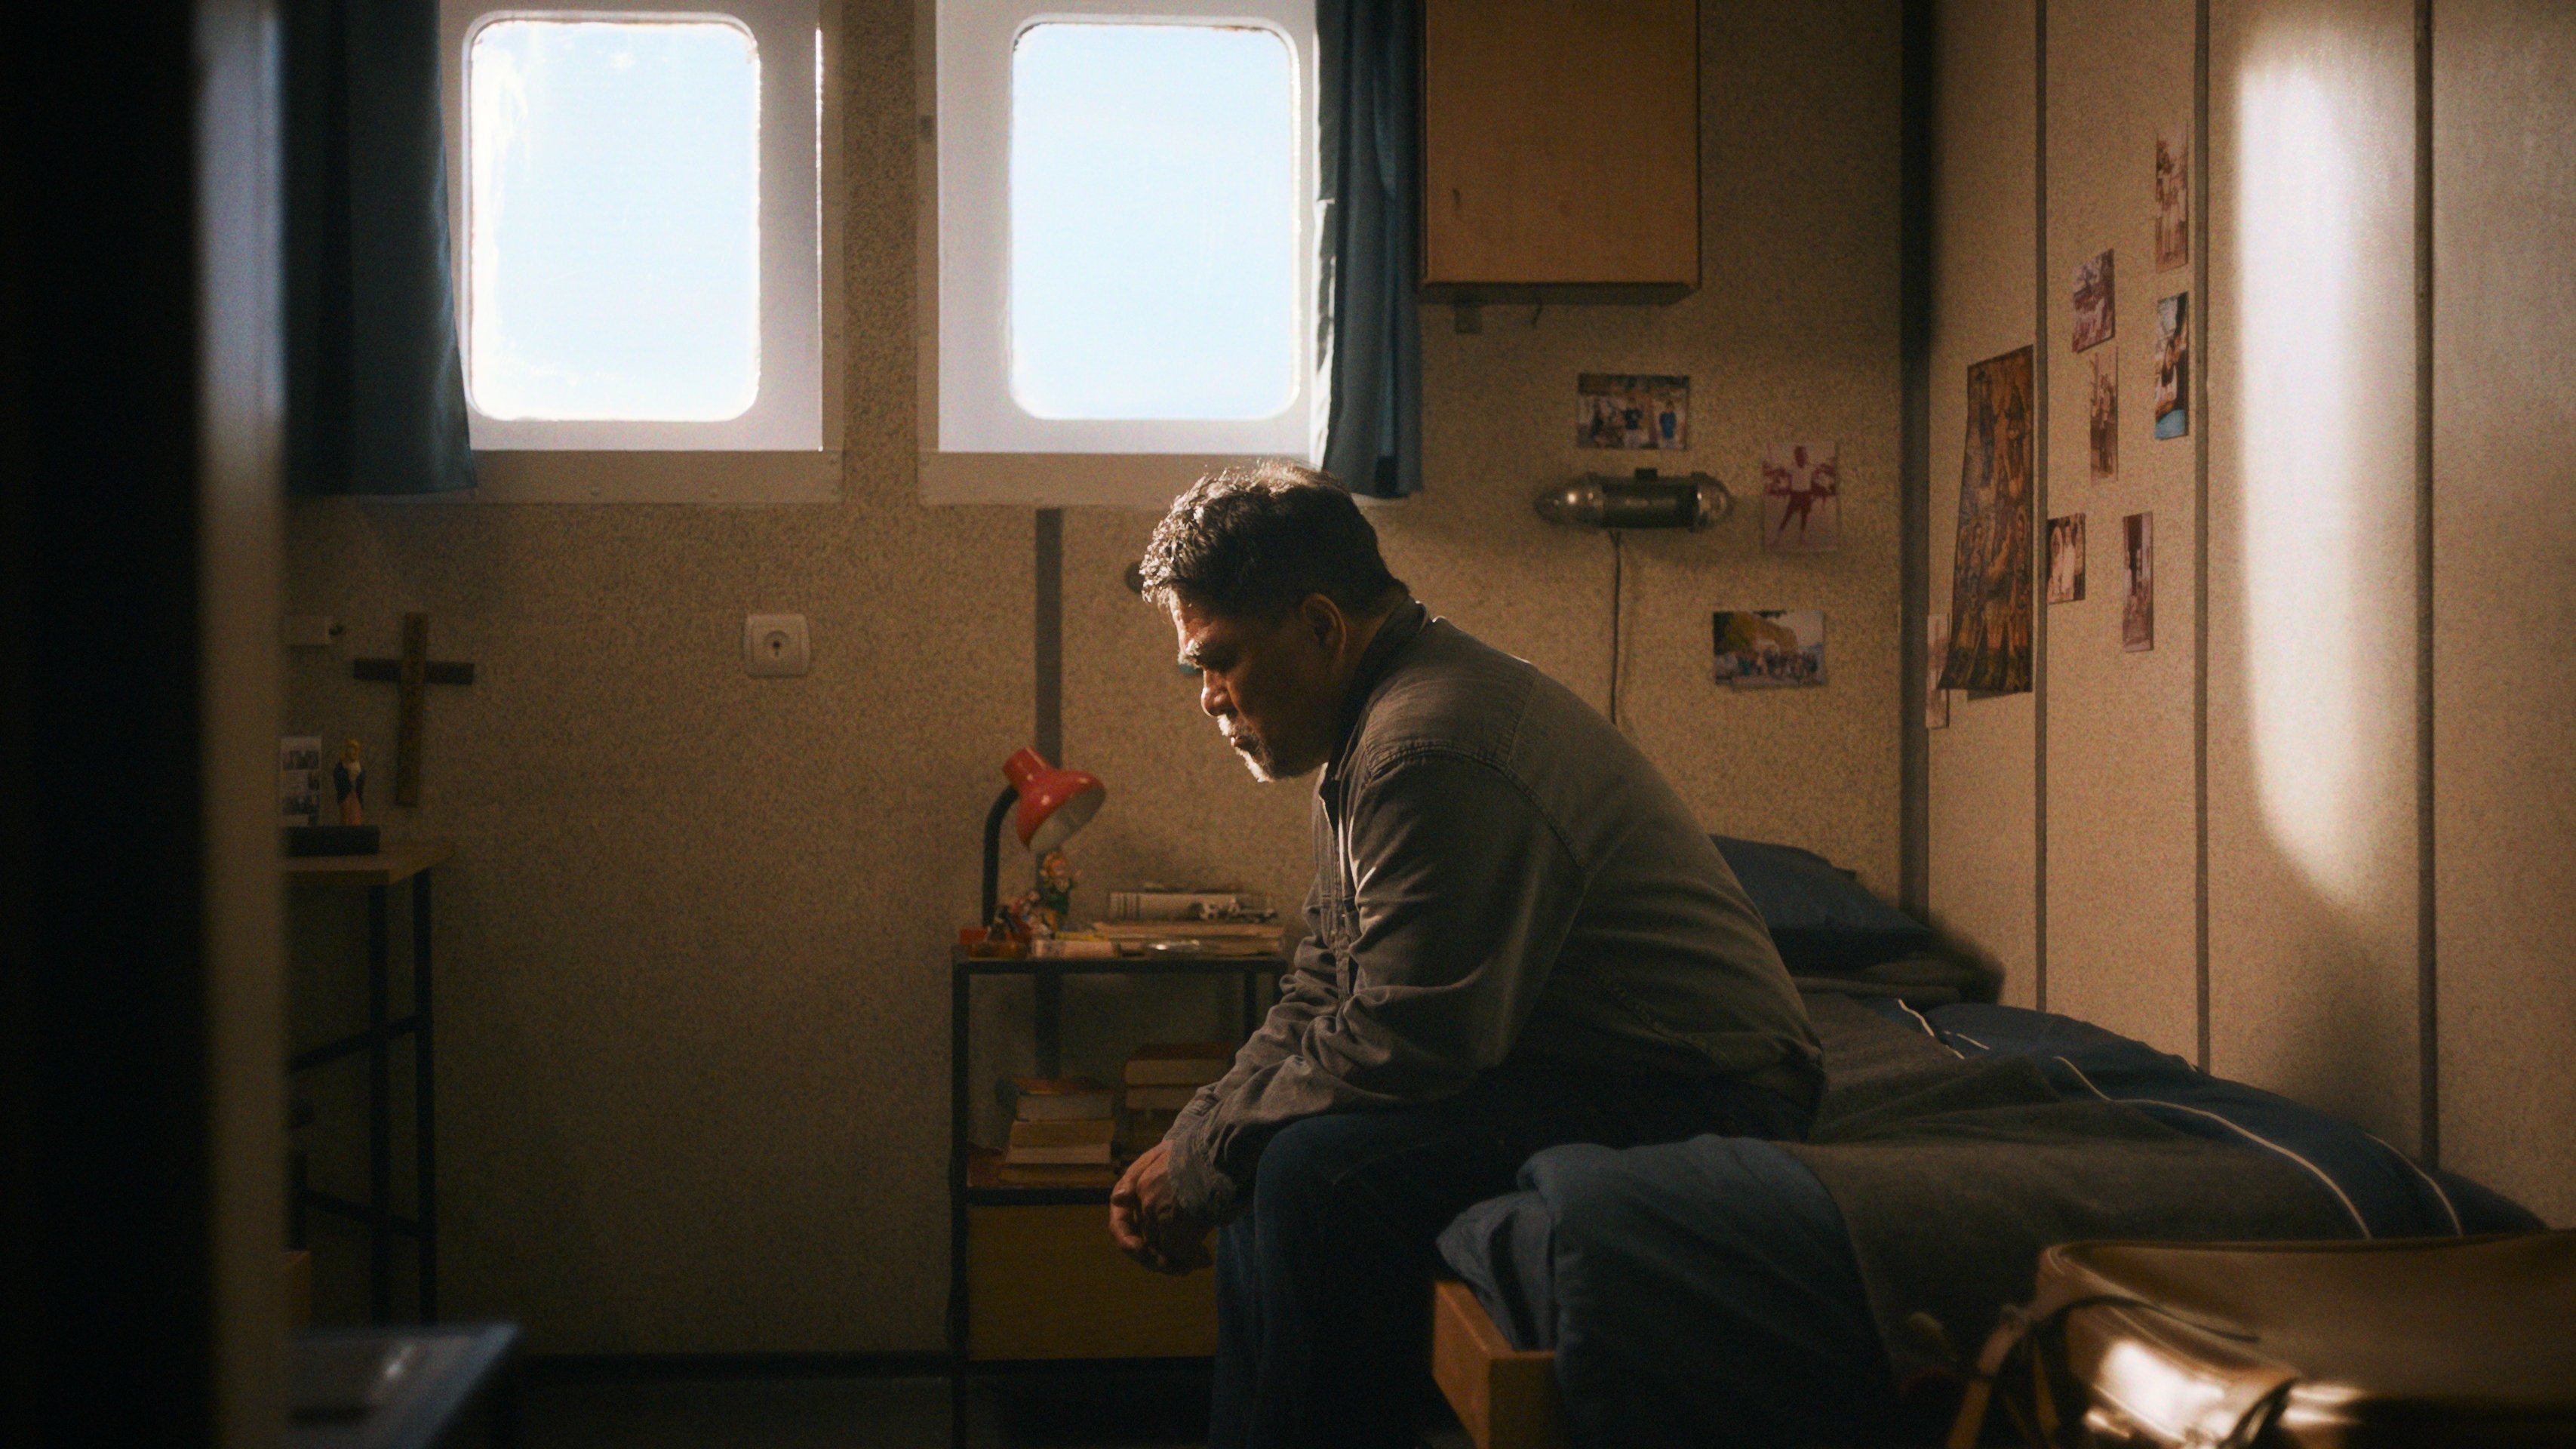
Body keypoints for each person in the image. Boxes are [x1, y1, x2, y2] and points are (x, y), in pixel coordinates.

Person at [1109, 460, 1822, 1449]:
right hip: (1588, 1064)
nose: (1208, 698)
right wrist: (1197, 1137)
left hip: (1713, 1091)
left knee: (1311, 1175)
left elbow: (1410, 1037)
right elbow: (1323, 984)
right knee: (1260, 1156)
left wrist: (1207, 1160)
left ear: (1320, 627)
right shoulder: (1373, 732)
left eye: (1219, 659)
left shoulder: (1426, 745)